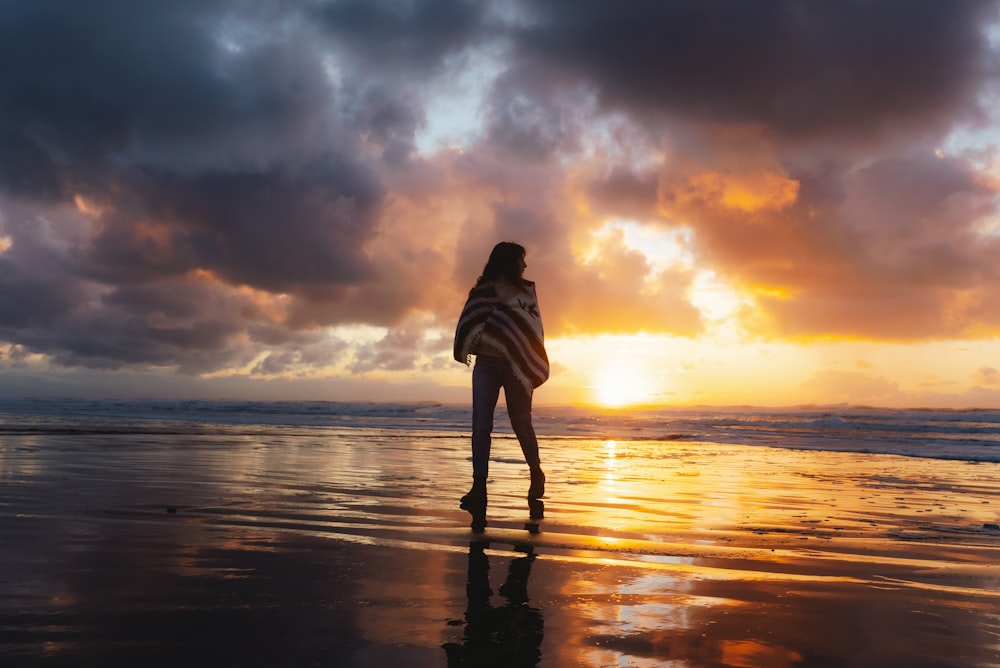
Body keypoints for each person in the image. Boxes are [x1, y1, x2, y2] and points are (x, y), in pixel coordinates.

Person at [453, 242, 549, 531]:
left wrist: (507, 338)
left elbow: (531, 330)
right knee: (481, 426)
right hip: (486, 365)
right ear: (509, 261)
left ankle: (536, 473)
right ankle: (478, 488)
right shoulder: (482, 293)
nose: (525, 265)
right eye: (522, 259)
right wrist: (490, 334)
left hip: (515, 366)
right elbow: (469, 322)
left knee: (522, 424)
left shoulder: (525, 293)